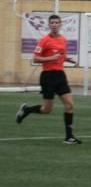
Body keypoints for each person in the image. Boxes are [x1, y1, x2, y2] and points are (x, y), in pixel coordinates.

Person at [15, 14, 82, 144]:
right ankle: (27, 110)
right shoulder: (44, 40)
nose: (54, 25)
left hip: (60, 76)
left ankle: (69, 137)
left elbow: (61, 55)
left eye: (57, 22)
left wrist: (68, 59)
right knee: (47, 109)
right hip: (47, 77)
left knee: (69, 105)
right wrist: (51, 58)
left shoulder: (63, 39)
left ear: (60, 25)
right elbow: (35, 58)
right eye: (52, 23)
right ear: (49, 25)